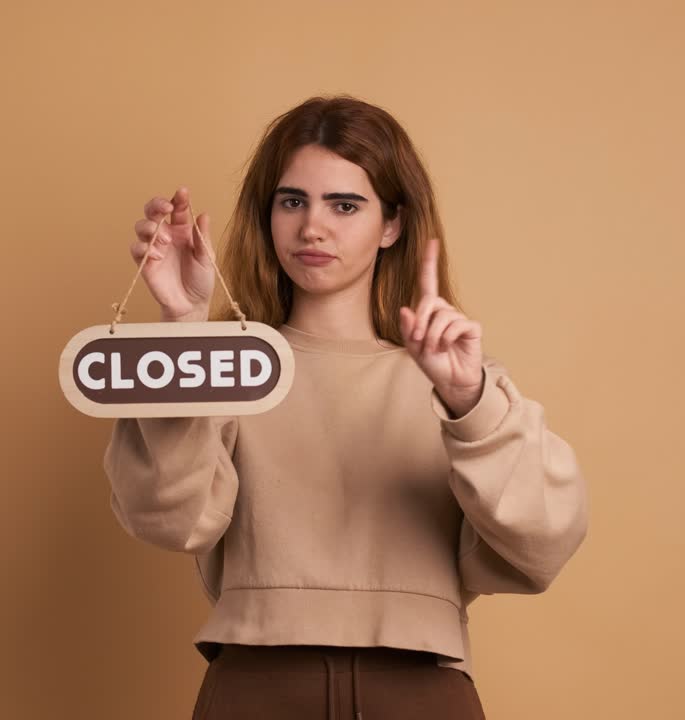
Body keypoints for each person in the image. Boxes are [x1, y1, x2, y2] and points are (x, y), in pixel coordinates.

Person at [104, 95, 589, 720]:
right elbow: (168, 519)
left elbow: (544, 544)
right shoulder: (228, 368)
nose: (313, 227)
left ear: (392, 224)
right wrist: (184, 328)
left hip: (419, 692)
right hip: (255, 687)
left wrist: (470, 403)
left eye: (345, 204)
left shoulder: (454, 380)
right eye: (292, 201)